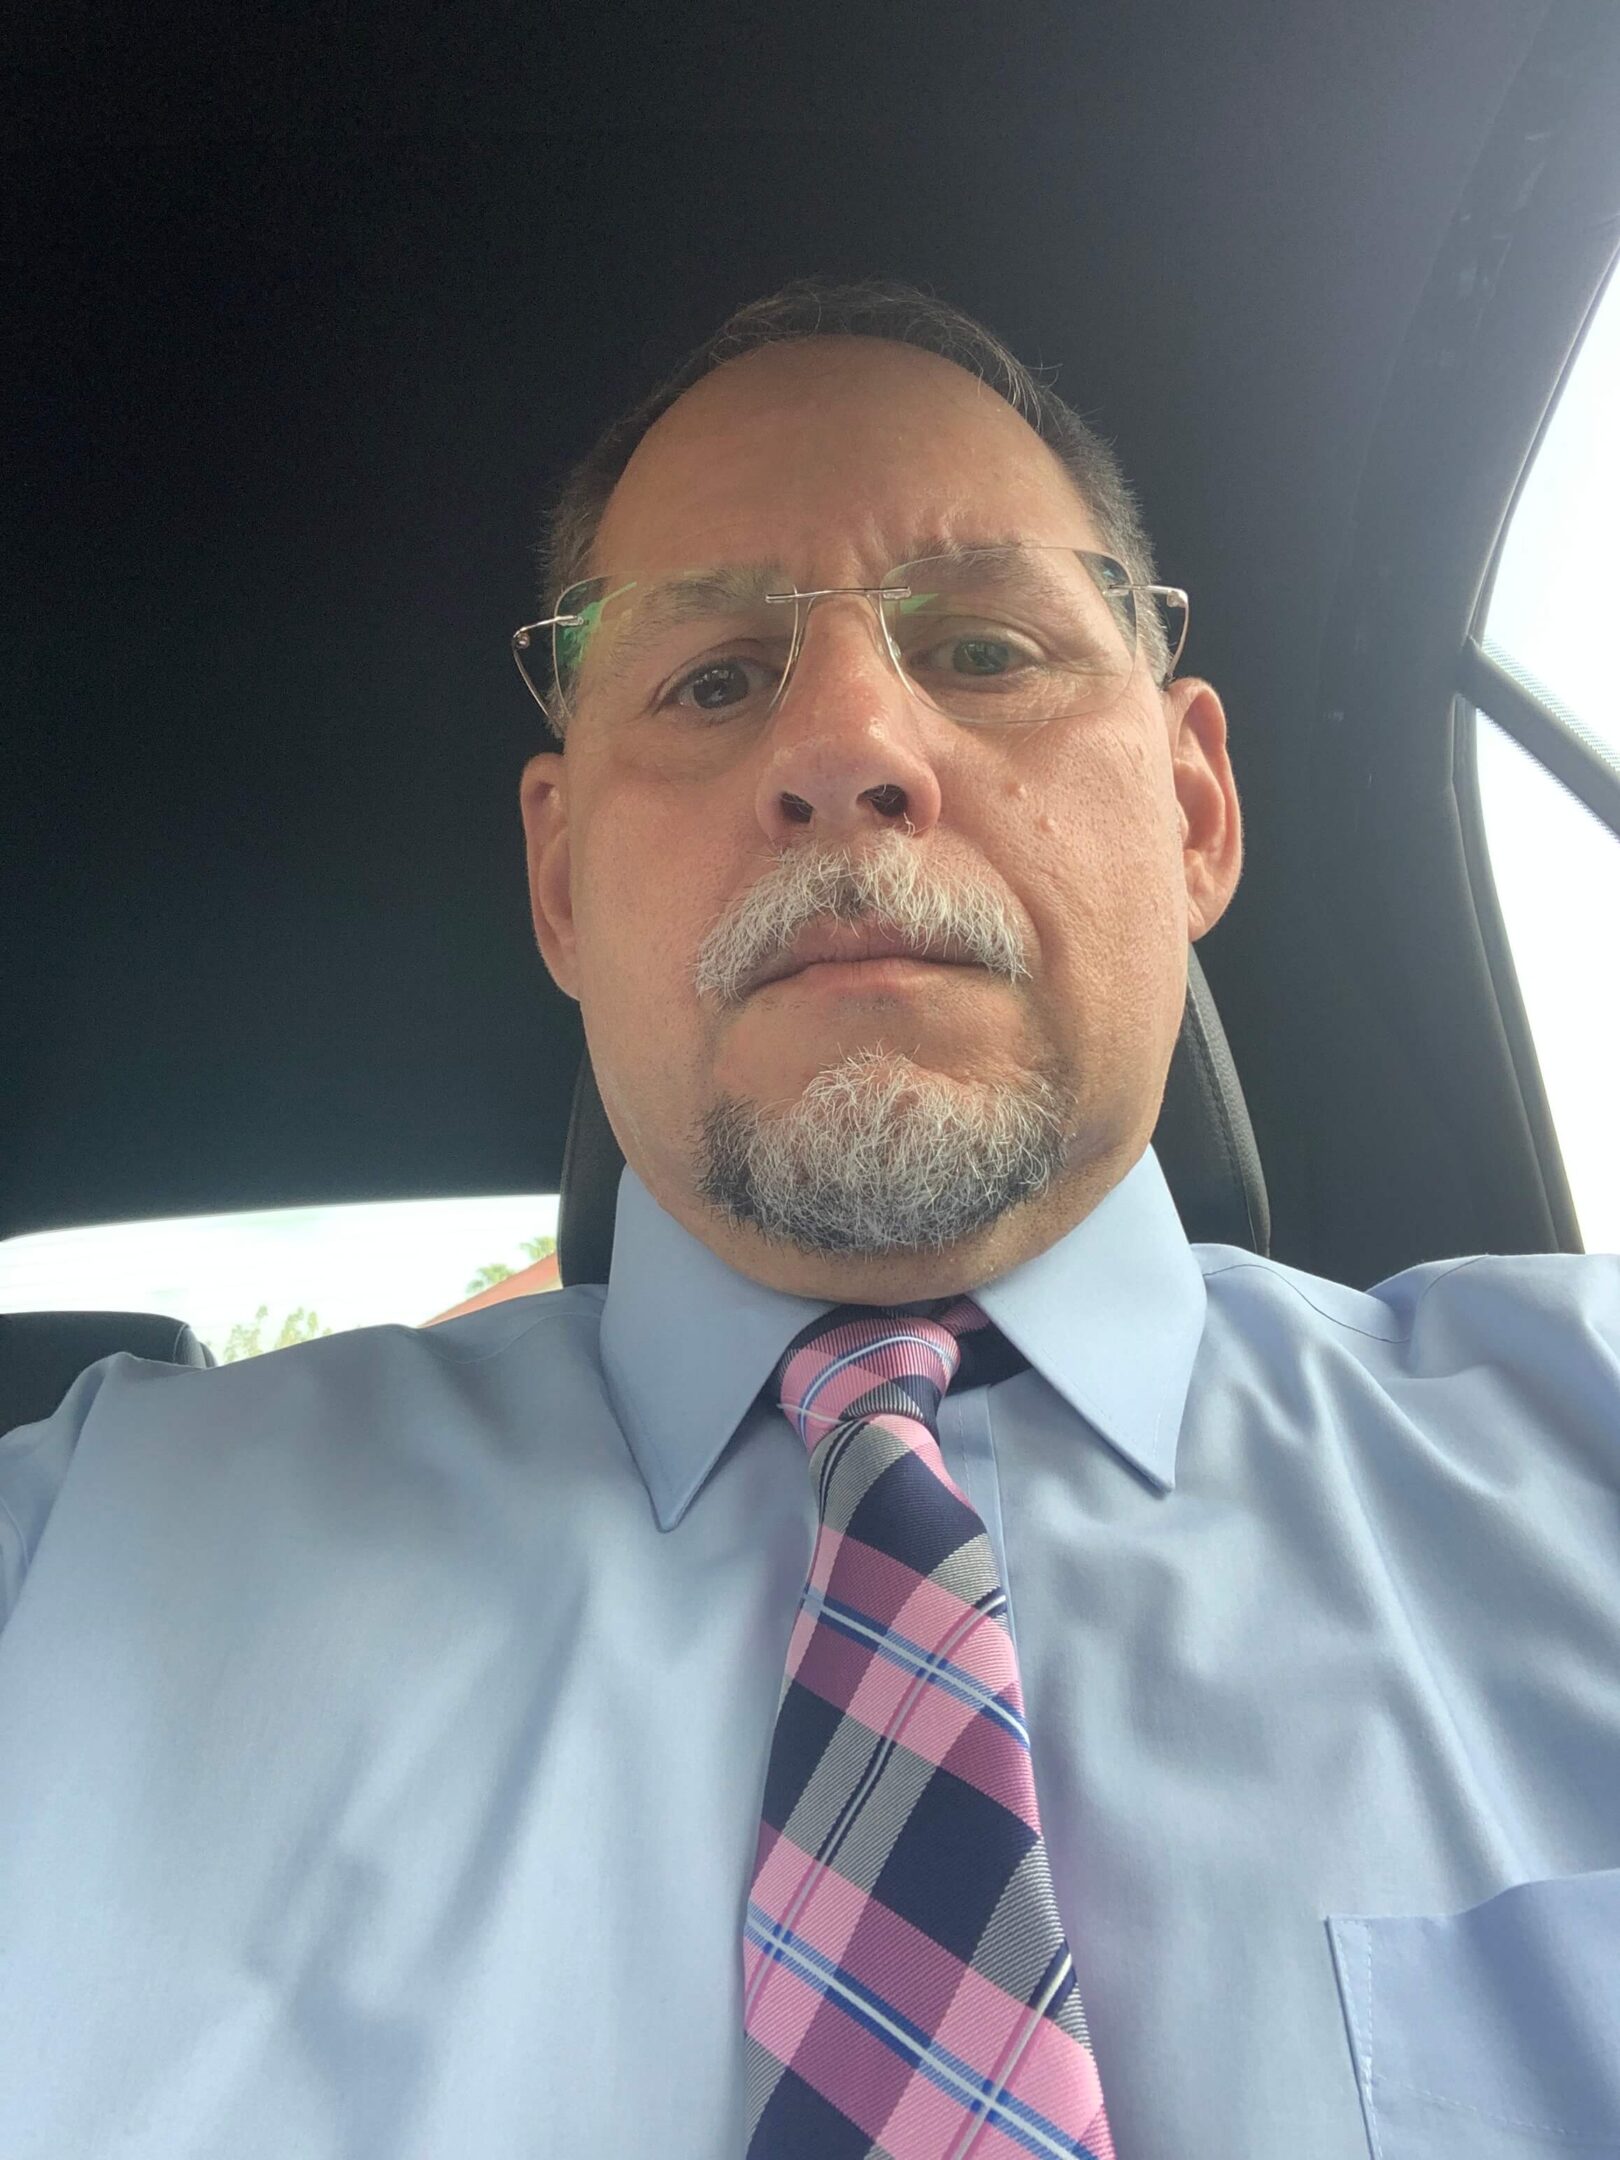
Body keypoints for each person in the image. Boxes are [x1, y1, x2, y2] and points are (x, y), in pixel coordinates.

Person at [1, 278, 1617, 2160]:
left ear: (1191, 811)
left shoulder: (1583, 1436)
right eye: (707, 677)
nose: (850, 745)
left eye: (990, 651)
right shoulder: (76, 1562)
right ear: (556, 885)